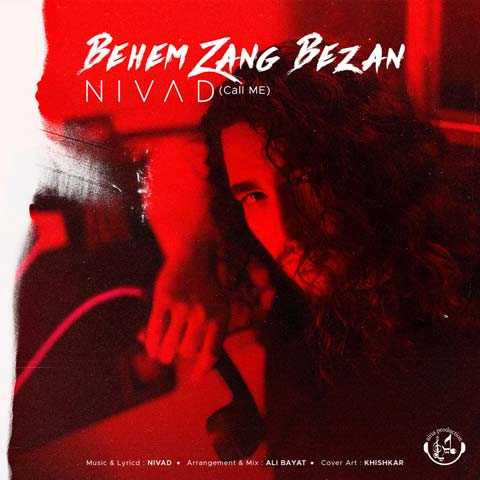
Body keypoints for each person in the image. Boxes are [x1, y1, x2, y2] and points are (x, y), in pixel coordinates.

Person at [147, 42, 480, 478]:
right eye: (255, 196)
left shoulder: (459, 341)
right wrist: (189, 258)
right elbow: (174, 156)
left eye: (303, 180)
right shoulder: (297, 291)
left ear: (369, 162)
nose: (286, 230)